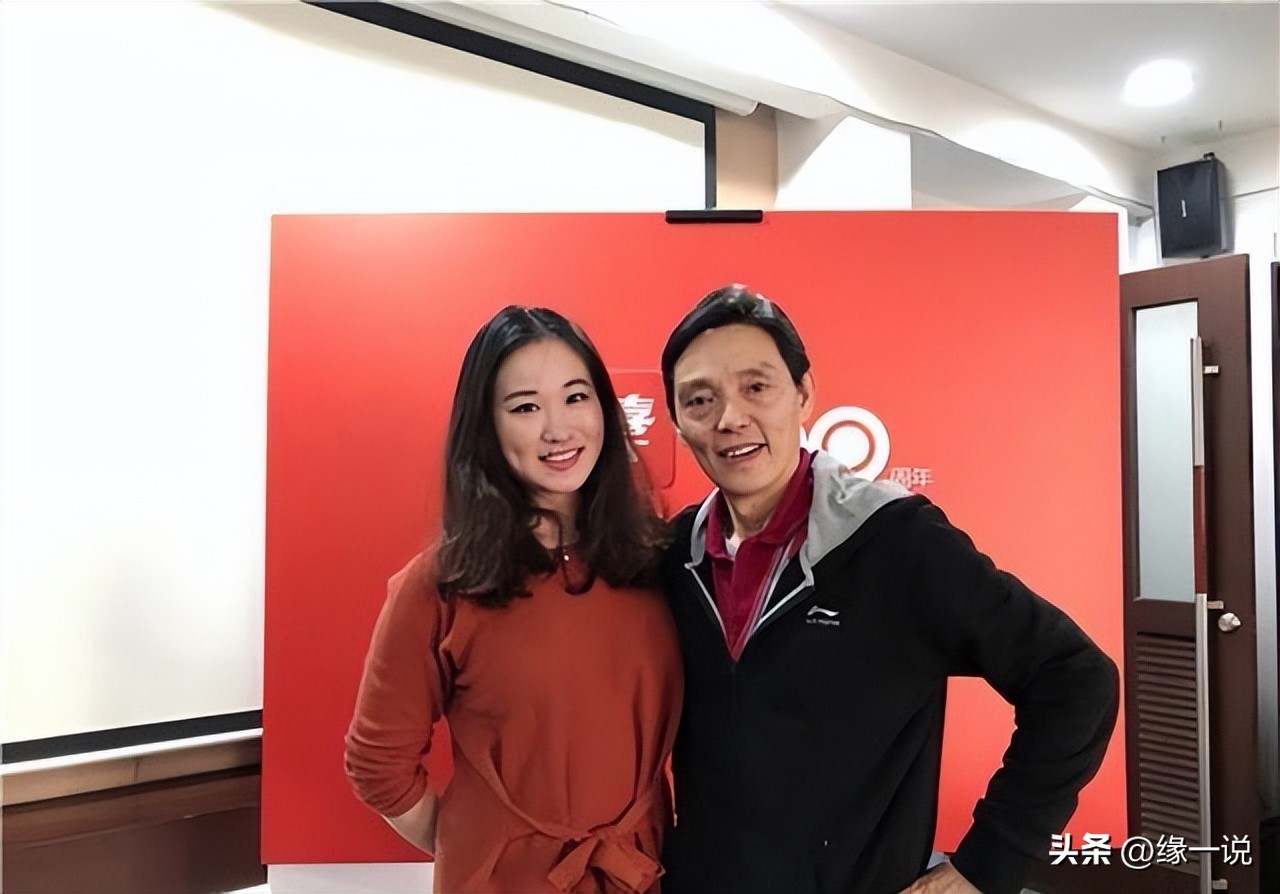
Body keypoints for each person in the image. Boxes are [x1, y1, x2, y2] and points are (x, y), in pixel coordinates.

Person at [656, 285, 1119, 894]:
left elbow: (1077, 679)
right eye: (700, 400)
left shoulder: (894, 541)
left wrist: (987, 864)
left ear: (803, 394)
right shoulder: (674, 558)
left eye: (756, 387)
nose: (729, 418)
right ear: (676, 422)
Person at [344, 306, 681, 893]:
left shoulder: (661, 560)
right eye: (526, 407)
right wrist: (481, 839)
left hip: (643, 872)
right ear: (486, 427)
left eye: (575, 397)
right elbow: (378, 764)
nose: (558, 429)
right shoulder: (441, 585)